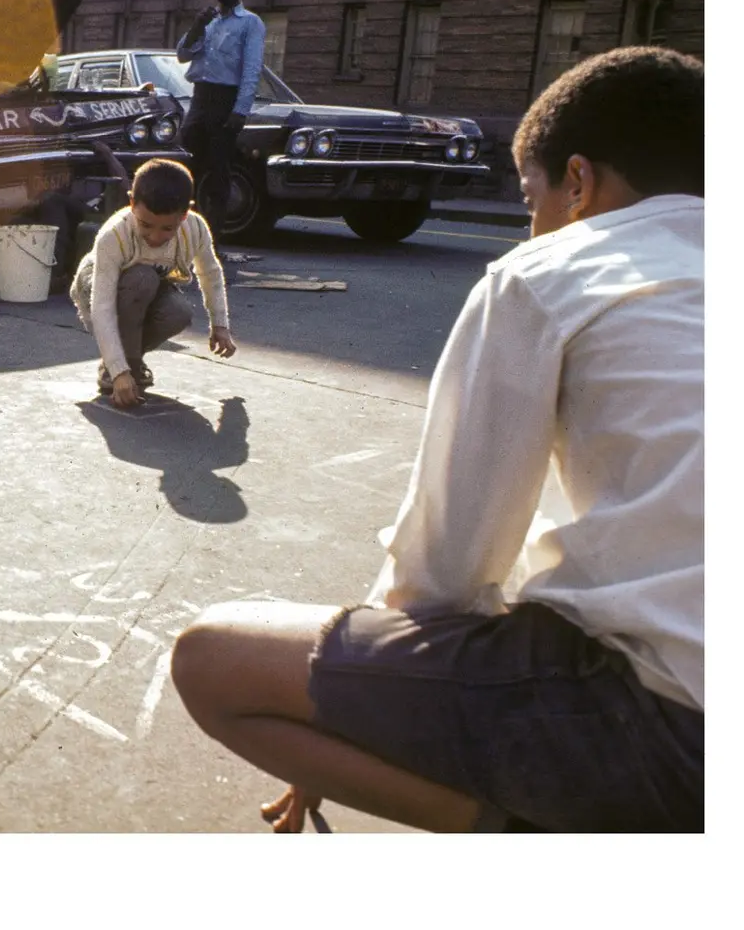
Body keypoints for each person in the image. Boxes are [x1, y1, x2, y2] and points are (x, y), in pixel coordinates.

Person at [170, 46, 704, 833]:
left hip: (675, 728)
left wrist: (351, 714)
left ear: (580, 183)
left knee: (213, 659)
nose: (532, 224)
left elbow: (450, 566)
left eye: (532, 196)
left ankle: (534, 836)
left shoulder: (548, 273)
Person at [70, 158, 236, 407]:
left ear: (185, 213)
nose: (155, 237)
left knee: (178, 313)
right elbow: (102, 307)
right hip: (95, 288)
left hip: (146, 291)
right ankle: (123, 369)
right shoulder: (114, 235)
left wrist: (220, 326)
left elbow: (210, 273)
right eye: (146, 225)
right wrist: (120, 371)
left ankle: (124, 362)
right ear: (132, 203)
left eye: (167, 229)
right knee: (142, 278)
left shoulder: (195, 228)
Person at [175, 0, 265, 244]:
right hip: (200, 98)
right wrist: (197, 25)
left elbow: (251, 71)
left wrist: (240, 110)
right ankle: (179, 234)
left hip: (225, 101)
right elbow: (182, 55)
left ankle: (210, 240)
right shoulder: (209, 21)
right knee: (185, 164)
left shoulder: (250, 23)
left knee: (218, 171)